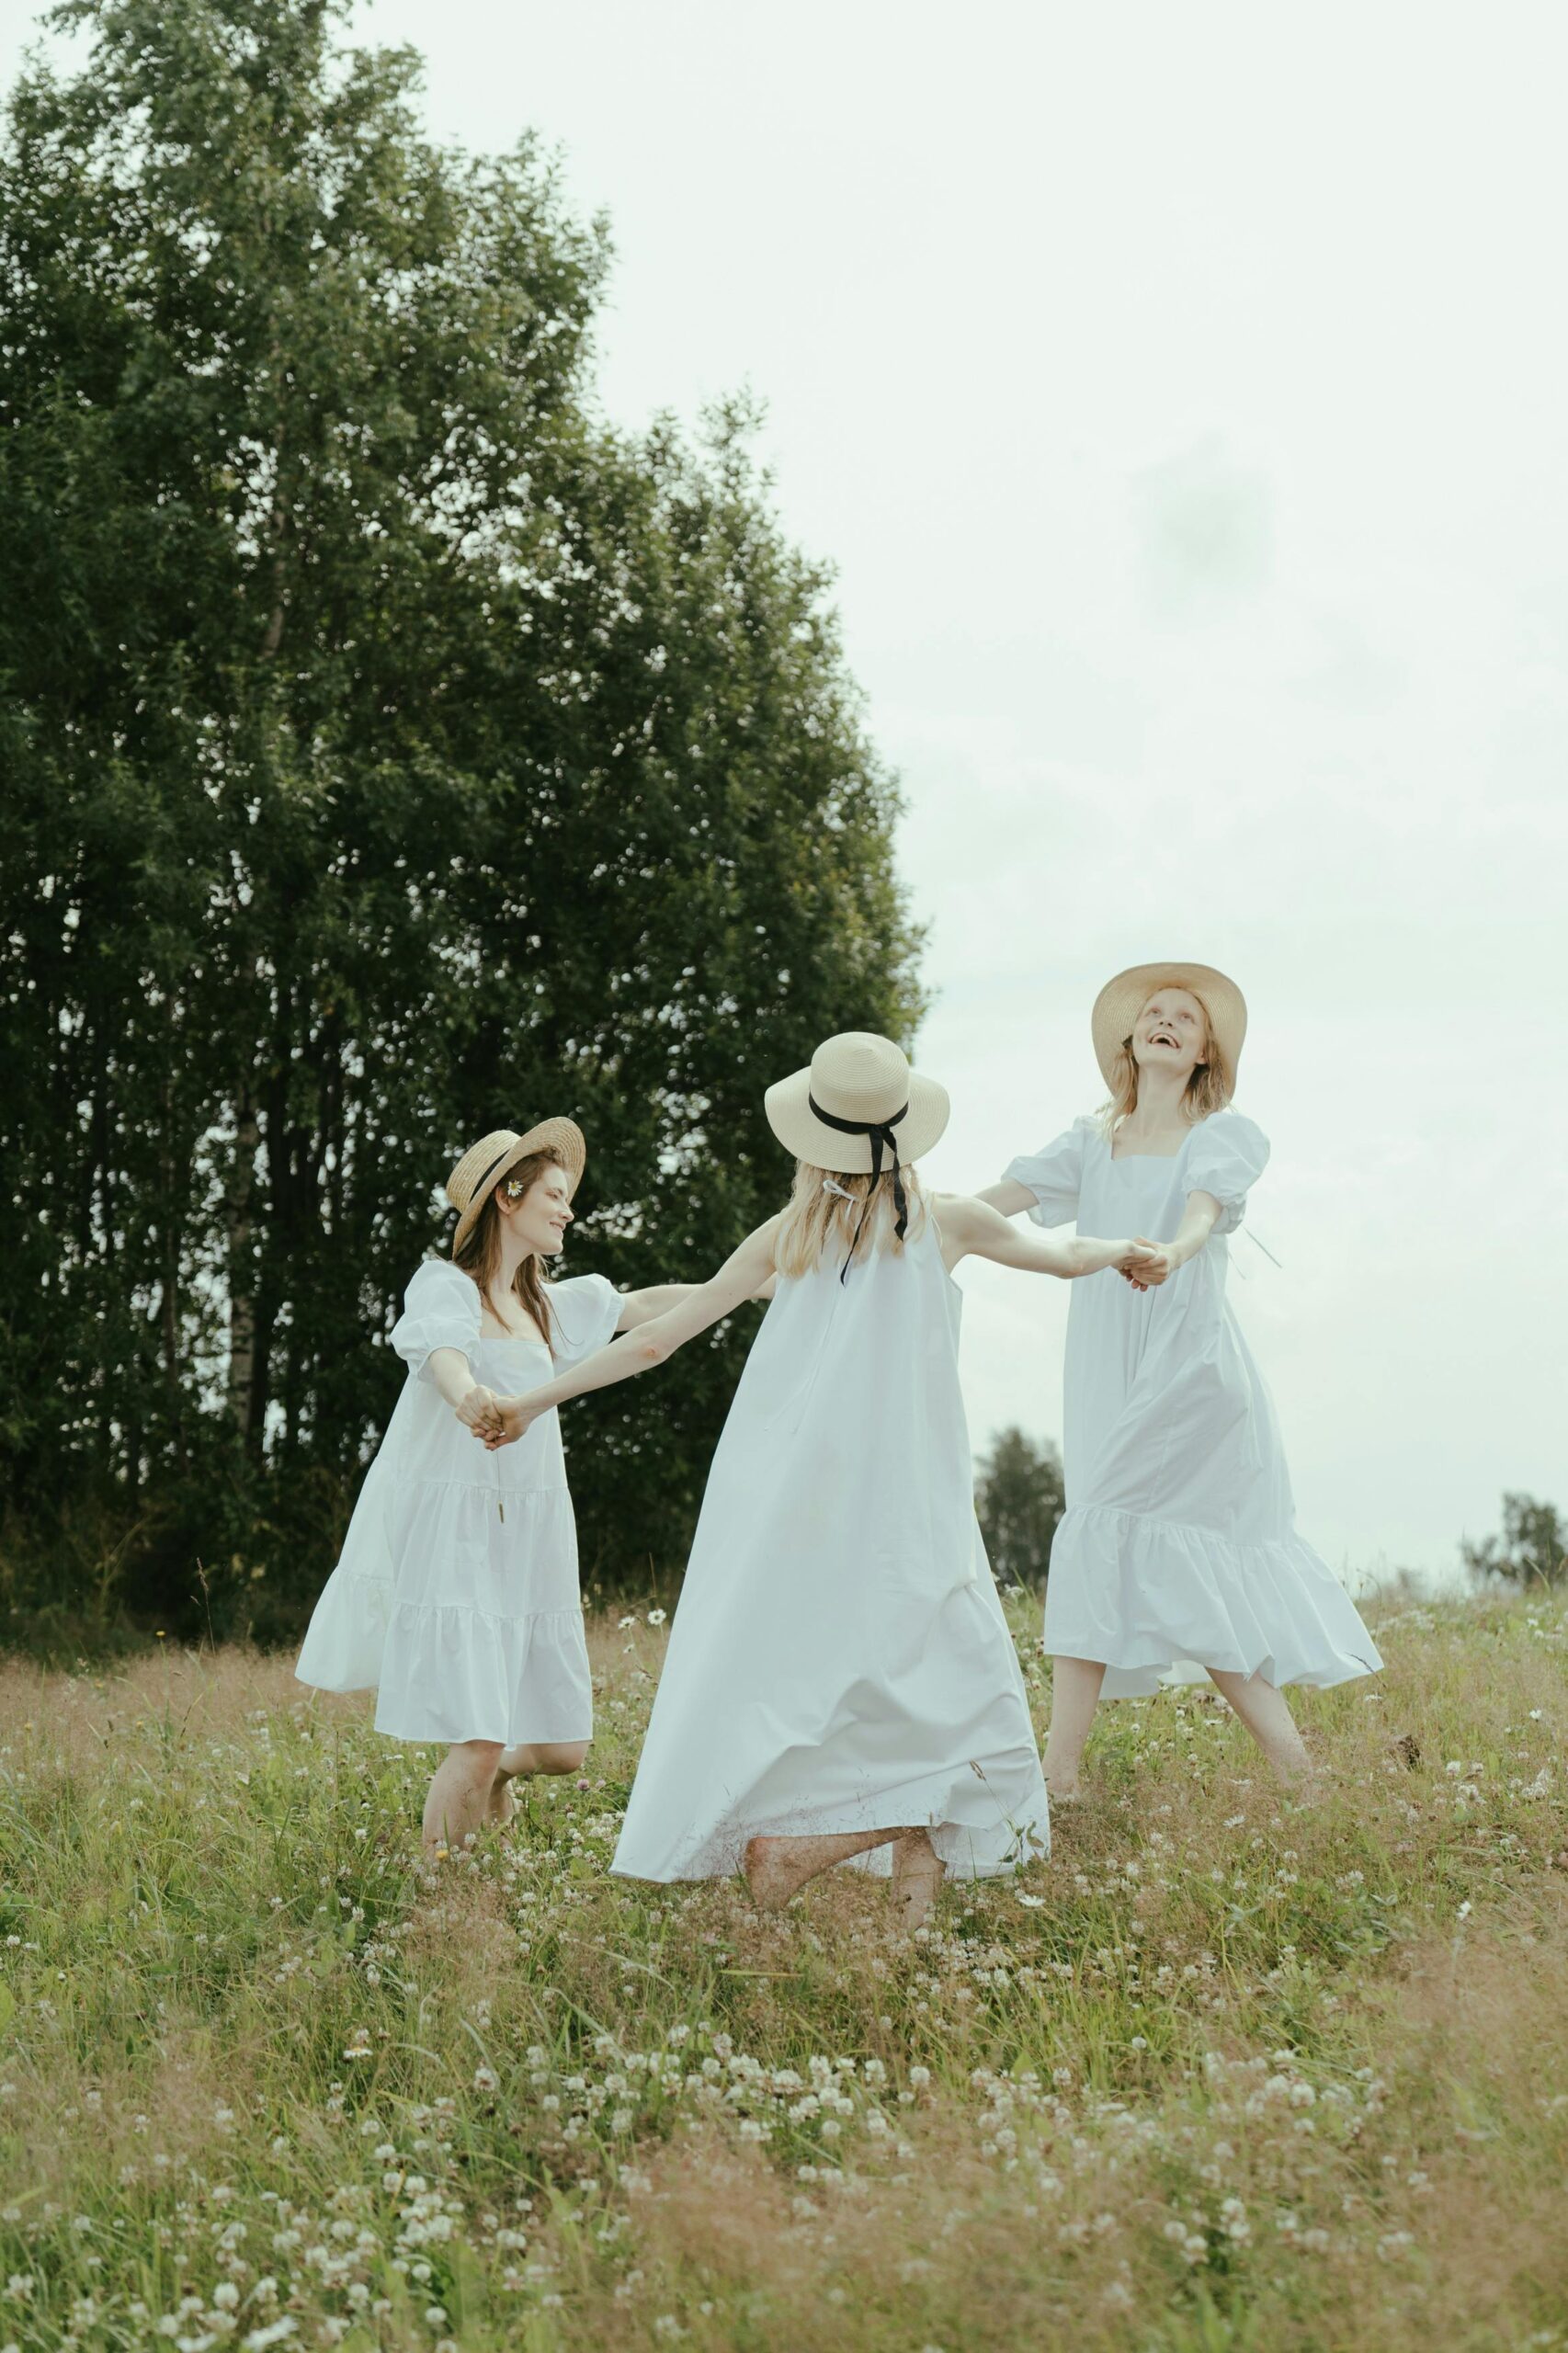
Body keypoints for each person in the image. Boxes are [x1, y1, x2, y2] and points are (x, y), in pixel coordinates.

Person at [467, 1032, 1156, 1926]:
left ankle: (897, 1947)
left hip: (803, 1511)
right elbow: (1065, 1255)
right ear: (904, 1130)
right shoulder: (944, 1221)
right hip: (912, 1513)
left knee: (917, 1707)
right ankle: (806, 1848)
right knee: (961, 1703)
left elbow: (652, 1340)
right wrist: (1135, 1249)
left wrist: (533, 1401)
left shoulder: (790, 1233)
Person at [981, 961, 1381, 1798]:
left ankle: (1059, 1776)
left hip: (1187, 1364)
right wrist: (910, 1214)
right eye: (1154, 1014)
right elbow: (998, 1201)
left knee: (1101, 1533)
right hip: (1105, 1367)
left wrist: (1172, 1252)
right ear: (1131, 1040)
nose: (1166, 1022)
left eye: (1186, 1020)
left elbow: (1203, 1211)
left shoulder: (1220, 1137)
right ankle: (1298, 1777)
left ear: (1204, 1054)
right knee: (1122, 1548)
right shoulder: (1089, 1143)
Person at [295, 1120, 714, 1855]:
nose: (567, 1209)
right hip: (458, 1529)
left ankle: (487, 1786)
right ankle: (441, 1906)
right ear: (508, 1197)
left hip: (531, 1530)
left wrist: (753, 1282)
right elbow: (443, 1353)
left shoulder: (549, 1305)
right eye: (555, 1194)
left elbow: (644, 1306)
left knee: (561, 1752)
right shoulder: (445, 1285)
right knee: (481, 1737)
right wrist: (468, 1397)